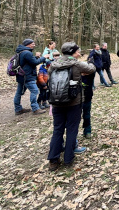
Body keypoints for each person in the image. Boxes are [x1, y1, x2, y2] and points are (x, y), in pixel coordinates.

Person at [46, 41, 95, 169]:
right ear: (72, 52)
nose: (79, 53)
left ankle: (53, 160)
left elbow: (50, 79)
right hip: (74, 102)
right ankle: (68, 158)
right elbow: (91, 69)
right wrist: (90, 62)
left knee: (57, 130)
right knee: (72, 129)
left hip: (57, 102)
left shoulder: (53, 64)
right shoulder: (76, 64)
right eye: (77, 51)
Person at [13, 38, 46, 116]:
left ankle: (18, 109)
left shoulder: (21, 51)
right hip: (27, 76)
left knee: (19, 92)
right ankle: (35, 108)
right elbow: (34, 62)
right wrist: (43, 57)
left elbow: (29, 62)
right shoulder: (27, 53)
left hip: (21, 75)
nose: (34, 45)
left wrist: (36, 57)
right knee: (35, 90)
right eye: (32, 44)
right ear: (28, 44)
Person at [80, 50, 96, 137]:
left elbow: (93, 67)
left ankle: (87, 131)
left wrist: (90, 60)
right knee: (84, 115)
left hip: (86, 98)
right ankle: (87, 130)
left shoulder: (90, 76)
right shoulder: (78, 76)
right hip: (79, 99)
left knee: (86, 114)